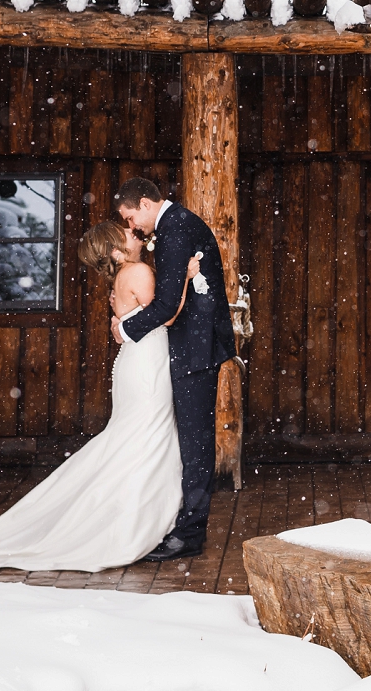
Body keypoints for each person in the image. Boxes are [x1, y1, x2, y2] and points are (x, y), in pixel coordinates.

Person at [0, 220, 199, 571]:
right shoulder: (137, 271)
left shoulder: (125, 276)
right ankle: (127, 523)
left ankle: (119, 515)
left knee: (135, 439)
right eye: (122, 235)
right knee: (142, 440)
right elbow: (166, 317)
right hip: (145, 367)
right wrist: (184, 277)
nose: (131, 234)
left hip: (138, 363)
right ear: (114, 249)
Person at [112, 175, 235, 561]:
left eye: (131, 217)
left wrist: (125, 328)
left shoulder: (175, 229)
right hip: (192, 348)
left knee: (196, 444)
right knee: (192, 441)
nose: (132, 226)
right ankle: (184, 524)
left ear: (146, 204)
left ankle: (190, 534)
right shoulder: (176, 225)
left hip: (195, 350)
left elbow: (166, 306)